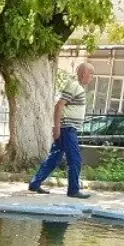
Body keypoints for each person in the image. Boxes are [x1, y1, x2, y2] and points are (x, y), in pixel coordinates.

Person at [29, 63, 94, 199]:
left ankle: (35, 184)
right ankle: (73, 190)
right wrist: (57, 128)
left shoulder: (78, 88)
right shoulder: (74, 86)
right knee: (75, 160)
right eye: (91, 74)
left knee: (54, 158)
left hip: (67, 128)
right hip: (67, 129)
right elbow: (59, 105)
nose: (92, 78)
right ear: (84, 74)